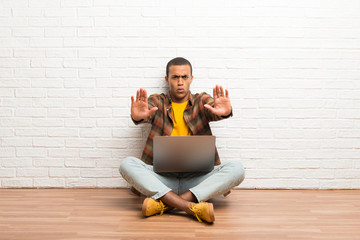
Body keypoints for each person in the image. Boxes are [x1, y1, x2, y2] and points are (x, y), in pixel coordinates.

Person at [119, 57, 245, 223]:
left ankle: (165, 204)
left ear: (191, 79)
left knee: (237, 168)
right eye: (175, 77)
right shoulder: (158, 101)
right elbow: (147, 107)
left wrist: (224, 112)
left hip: (196, 179)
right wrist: (138, 117)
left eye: (184, 77)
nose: (180, 82)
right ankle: (190, 207)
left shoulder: (201, 101)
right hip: (163, 178)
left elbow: (215, 108)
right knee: (127, 164)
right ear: (167, 79)